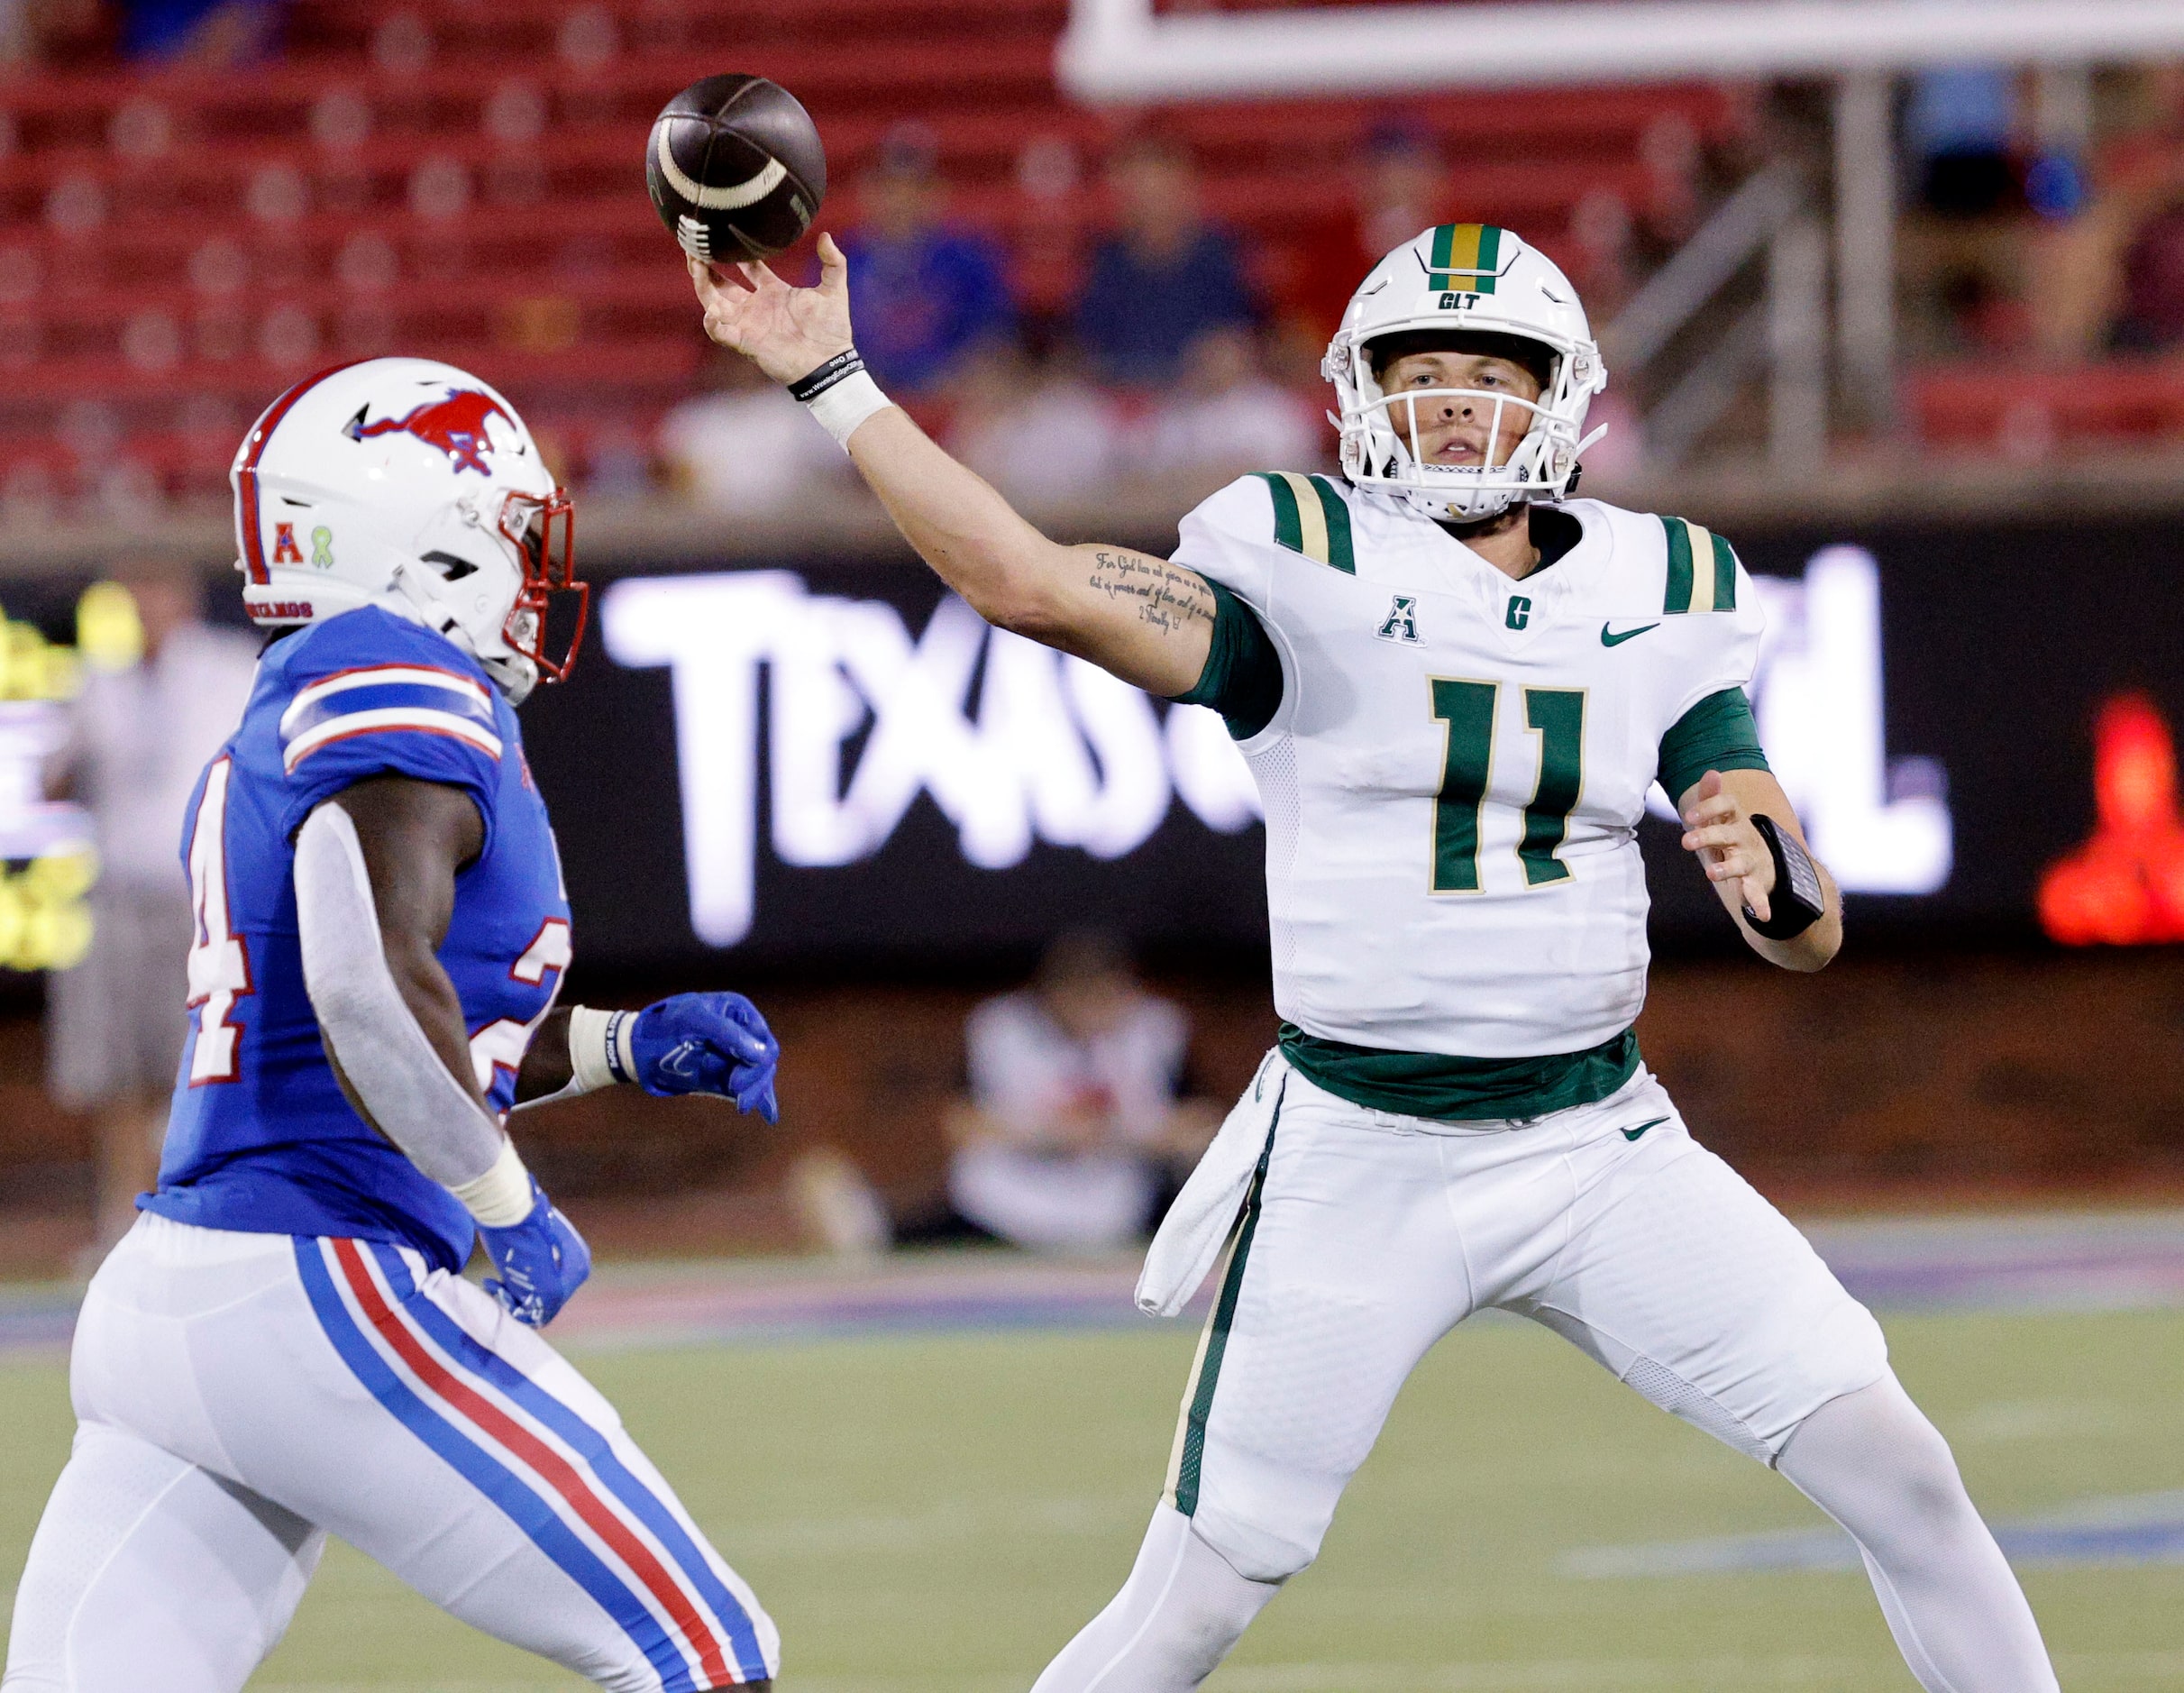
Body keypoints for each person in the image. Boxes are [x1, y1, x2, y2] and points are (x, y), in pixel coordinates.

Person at [689, 219, 2061, 1692]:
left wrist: (1775, 875)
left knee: (1901, 1472)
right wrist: (835, 378)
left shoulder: (1664, 581)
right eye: (1420, 369)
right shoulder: (1301, 552)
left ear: (1563, 393)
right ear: (1356, 390)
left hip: (1600, 1143)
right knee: (1197, 1599)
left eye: (1490, 369)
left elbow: (1803, 921)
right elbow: (1033, 582)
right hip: (1361, 1148)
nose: (1455, 399)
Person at [5, 358, 781, 1693]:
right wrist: (500, 1199)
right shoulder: (385, 661)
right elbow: (361, 981)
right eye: (514, 530)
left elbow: (405, 1016)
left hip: (174, 1297)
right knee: (703, 1650)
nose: (534, 565)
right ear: (427, 542)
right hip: (319, 1274)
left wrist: (616, 1044)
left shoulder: (294, 698)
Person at [42, 555, 257, 1261]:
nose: (146, 608)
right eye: (135, 595)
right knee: (118, 1076)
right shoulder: (99, 683)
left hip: (204, 901)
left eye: (156, 592)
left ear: (184, 599)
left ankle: (209, 1221)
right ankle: (124, 1227)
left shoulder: (229, 669)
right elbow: (56, 785)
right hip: (120, 898)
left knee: (203, 1069)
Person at [940, 931, 1214, 1252]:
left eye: (1106, 995)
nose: (1094, 1009)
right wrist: (1051, 1133)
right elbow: (959, 1123)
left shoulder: (1155, 1030)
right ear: (1055, 992)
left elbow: (1202, 1124)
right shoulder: (1001, 1030)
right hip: (1004, 1209)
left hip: (1120, 1209)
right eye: (1082, 995)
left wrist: (1115, 1131)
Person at [838, 124, 1014, 397]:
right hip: (860, 398)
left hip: (953, 399)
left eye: (914, 188)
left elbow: (993, 341)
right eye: (890, 187)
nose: (901, 200)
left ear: (937, 192)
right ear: (867, 190)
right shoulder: (838, 262)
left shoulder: (968, 260)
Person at [1074, 133, 1253, 388]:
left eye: (1159, 189)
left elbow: (1240, 337)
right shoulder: (1105, 259)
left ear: (1184, 189)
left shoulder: (1219, 255)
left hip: (1206, 393)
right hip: (1120, 397)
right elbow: (1088, 346)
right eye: (1138, 190)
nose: (1149, 202)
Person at [659, 345, 848, 517]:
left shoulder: (799, 415)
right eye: (732, 360)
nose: (739, 369)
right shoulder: (692, 420)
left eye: (746, 360)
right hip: (712, 537)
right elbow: (673, 482)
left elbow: (840, 470)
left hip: (792, 534)